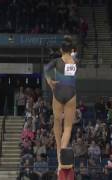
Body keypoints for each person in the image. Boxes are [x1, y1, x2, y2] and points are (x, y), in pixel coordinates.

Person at [44, 35, 77, 170]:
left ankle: (59, 154)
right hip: (71, 94)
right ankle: (63, 151)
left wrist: (49, 81)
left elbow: (46, 69)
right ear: (71, 50)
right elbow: (74, 50)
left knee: (57, 122)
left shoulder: (56, 61)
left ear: (61, 50)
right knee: (68, 127)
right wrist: (70, 39)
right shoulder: (75, 60)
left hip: (58, 92)